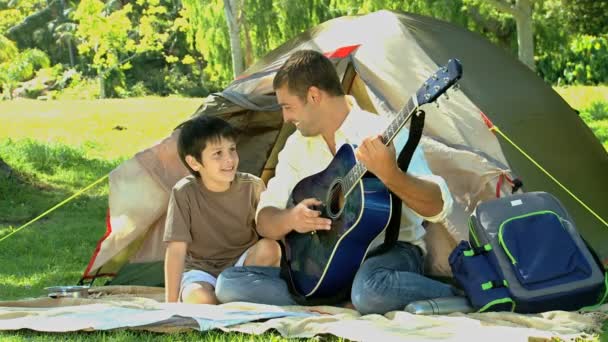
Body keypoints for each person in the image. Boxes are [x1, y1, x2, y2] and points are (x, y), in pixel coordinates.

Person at [215, 50, 457, 314]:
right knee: (229, 284)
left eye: (287, 106)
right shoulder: (296, 146)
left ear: (314, 96)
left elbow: (438, 207)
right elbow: (265, 220)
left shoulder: (380, 132)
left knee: (371, 291)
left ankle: (458, 294)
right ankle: (337, 300)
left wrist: (391, 174)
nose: (284, 118)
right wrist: (291, 219)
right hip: (323, 264)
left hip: (387, 256)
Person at [163, 115, 281, 304]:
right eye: (218, 153)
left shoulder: (253, 186)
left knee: (270, 247)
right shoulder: (184, 192)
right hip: (202, 271)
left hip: (242, 267)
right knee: (200, 298)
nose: (229, 160)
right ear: (194, 163)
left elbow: (271, 228)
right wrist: (170, 303)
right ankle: (232, 299)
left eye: (232, 150)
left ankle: (234, 296)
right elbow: (176, 249)